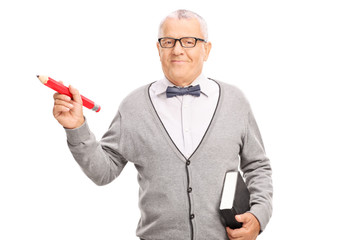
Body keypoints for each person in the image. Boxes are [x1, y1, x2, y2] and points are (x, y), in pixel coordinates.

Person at [52, 9, 273, 240]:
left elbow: (257, 166)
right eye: (168, 42)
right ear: (159, 49)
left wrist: (259, 216)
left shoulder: (235, 101)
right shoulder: (134, 106)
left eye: (189, 41)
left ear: (206, 49)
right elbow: (103, 172)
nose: (177, 50)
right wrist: (76, 127)